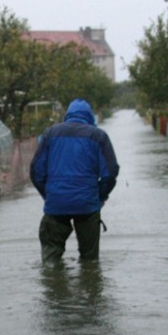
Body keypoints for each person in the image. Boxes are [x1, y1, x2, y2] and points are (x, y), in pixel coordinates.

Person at [30, 98, 119, 264]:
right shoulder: (98, 136)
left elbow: (36, 171)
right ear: (90, 117)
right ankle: (90, 286)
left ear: (67, 115)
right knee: (90, 262)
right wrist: (99, 197)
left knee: (50, 262)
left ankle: (55, 287)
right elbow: (110, 172)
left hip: (56, 204)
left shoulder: (50, 134)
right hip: (88, 205)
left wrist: (49, 195)